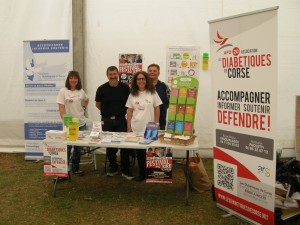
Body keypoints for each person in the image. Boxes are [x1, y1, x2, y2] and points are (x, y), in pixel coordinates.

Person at [95, 66, 134, 180]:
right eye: (110, 74)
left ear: (118, 74)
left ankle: (125, 169)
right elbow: (98, 104)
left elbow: (129, 104)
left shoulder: (125, 88)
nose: (112, 76)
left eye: (114, 74)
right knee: (110, 145)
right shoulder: (101, 89)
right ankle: (113, 167)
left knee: (125, 145)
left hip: (121, 120)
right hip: (107, 121)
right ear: (107, 75)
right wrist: (108, 113)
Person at [126, 71, 162, 181]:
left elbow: (157, 108)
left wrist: (156, 124)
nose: (141, 81)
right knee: (140, 152)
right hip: (136, 127)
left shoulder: (152, 92)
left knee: (151, 151)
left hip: (150, 127)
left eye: (143, 79)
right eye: (138, 79)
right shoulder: (132, 94)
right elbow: (129, 111)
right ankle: (142, 173)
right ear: (135, 81)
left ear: (146, 80)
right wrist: (129, 127)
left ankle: (152, 173)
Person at [57, 70, 89, 178]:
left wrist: (83, 108)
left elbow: (86, 100)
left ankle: (75, 168)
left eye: (75, 78)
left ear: (78, 80)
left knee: (78, 148)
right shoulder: (63, 91)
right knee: (67, 148)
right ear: (68, 79)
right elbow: (61, 109)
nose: (73, 80)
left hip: (81, 123)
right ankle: (64, 171)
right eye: (71, 78)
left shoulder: (81, 91)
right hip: (69, 124)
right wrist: (67, 122)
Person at [147, 64, 170, 130]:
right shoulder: (143, 86)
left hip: (160, 121)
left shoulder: (164, 86)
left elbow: (168, 103)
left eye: (154, 71)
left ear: (159, 73)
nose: (152, 72)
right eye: (150, 71)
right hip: (145, 121)